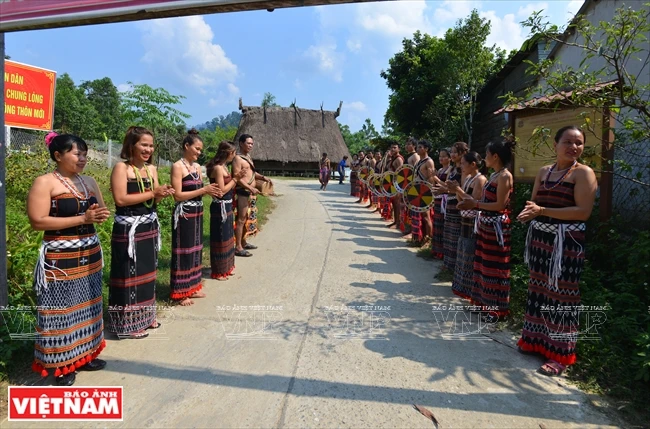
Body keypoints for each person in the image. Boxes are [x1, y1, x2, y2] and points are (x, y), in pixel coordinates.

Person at [27, 133, 110, 386]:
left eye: (84, 154)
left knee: (88, 306)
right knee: (60, 311)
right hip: (60, 258)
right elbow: (37, 221)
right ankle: (62, 364)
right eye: (77, 154)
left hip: (89, 254)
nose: (82, 158)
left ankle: (85, 355)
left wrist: (97, 214)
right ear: (58, 156)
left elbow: (101, 211)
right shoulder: (45, 183)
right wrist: (82, 219)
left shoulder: (89, 182)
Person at [516, 126, 597, 377]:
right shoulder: (544, 172)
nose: (574, 147)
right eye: (568, 142)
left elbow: (583, 212)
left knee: (563, 295)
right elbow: (535, 204)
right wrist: (530, 212)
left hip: (567, 245)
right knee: (539, 290)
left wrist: (541, 212)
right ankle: (536, 341)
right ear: (555, 144)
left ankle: (559, 353)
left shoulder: (584, 173)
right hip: (541, 240)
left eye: (579, 143)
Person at [108, 126, 175, 339]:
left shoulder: (151, 169)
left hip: (148, 226)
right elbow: (120, 199)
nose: (148, 149)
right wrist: (153, 192)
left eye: (151, 145)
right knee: (129, 273)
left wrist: (162, 194)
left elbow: (153, 199)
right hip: (129, 228)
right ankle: (126, 324)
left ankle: (146, 317)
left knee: (147, 272)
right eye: (143, 144)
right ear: (131, 145)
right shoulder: (121, 168)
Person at [458, 139, 515, 322]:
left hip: (496, 228)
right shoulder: (494, 175)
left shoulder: (505, 176)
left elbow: (500, 204)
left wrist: (474, 204)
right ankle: (483, 303)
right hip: (486, 226)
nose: (485, 158)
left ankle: (496, 309)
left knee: (494, 267)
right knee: (483, 265)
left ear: (495, 156)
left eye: (487, 154)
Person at [169, 129, 221, 305]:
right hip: (184, 214)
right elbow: (177, 195)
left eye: (200, 150)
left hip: (197, 212)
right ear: (186, 146)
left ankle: (193, 286)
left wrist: (210, 191)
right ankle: (181, 291)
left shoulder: (198, 167)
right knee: (184, 251)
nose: (199, 152)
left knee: (196, 249)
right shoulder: (177, 166)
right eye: (197, 148)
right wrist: (204, 190)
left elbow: (198, 190)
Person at [447, 152, 487, 300]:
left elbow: (473, 201)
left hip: (473, 221)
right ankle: (462, 286)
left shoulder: (480, 179)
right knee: (463, 251)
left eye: (464, 163)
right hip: (464, 219)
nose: (461, 166)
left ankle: (470, 288)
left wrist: (457, 190)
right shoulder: (470, 178)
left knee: (470, 252)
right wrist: (456, 190)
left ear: (473, 164)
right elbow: (461, 199)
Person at [206, 141, 248, 279]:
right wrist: (236, 179)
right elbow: (221, 190)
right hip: (220, 207)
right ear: (228, 153)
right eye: (233, 153)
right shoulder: (218, 168)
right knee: (220, 238)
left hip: (228, 205)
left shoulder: (224, 166)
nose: (234, 155)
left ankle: (226, 267)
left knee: (228, 237)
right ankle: (218, 271)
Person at [232, 134, 272, 257]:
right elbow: (237, 178)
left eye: (252, 144)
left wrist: (263, 177)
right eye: (248, 143)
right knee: (241, 219)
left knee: (246, 219)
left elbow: (252, 174)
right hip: (243, 192)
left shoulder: (248, 157)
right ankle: (238, 247)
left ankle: (243, 242)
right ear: (241, 143)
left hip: (250, 192)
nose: (251, 145)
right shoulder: (237, 159)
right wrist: (250, 187)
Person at [437, 142, 468, 271]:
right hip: (449, 202)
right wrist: (441, 189)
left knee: (455, 233)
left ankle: (455, 264)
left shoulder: (464, 169)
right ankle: (448, 263)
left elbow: (461, 189)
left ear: (463, 153)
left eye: (456, 152)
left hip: (457, 202)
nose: (453, 154)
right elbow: (447, 186)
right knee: (448, 232)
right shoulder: (453, 169)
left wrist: (443, 190)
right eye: (452, 152)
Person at [411, 140, 436, 247]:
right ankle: (422, 237)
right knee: (420, 215)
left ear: (426, 149)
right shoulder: (418, 162)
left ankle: (429, 240)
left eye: (420, 147)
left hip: (425, 192)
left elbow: (431, 179)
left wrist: (429, 193)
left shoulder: (429, 161)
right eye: (417, 147)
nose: (418, 149)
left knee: (426, 216)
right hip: (417, 191)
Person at [431, 149, 452, 259]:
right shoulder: (439, 170)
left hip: (445, 199)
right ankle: (436, 249)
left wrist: (435, 178)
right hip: (438, 199)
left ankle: (442, 251)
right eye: (440, 156)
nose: (441, 158)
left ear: (449, 158)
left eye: (444, 156)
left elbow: (447, 186)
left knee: (443, 224)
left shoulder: (450, 169)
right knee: (437, 223)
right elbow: (435, 185)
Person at [403, 137, 419, 239]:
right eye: (406, 144)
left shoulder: (415, 156)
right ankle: (409, 229)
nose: (407, 146)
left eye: (409, 144)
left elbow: (416, 172)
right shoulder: (408, 156)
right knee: (408, 209)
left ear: (414, 146)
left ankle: (414, 232)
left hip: (413, 185)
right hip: (407, 185)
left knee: (413, 209)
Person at [387, 142, 404, 229]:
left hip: (397, 184)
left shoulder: (399, 159)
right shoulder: (393, 158)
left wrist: (399, 187)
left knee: (397, 204)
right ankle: (395, 221)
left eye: (395, 148)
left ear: (399, 149)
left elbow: (401, 173)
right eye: (391, 148)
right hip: (393, 184)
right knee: (394, 203)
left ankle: (398, 223)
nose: (392, 149)